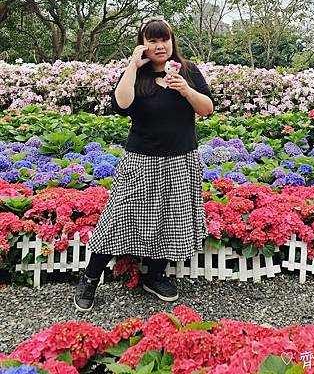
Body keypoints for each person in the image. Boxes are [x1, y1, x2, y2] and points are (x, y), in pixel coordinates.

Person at [74, 17, 214, 312]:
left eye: (163, 39)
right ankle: (90, 278)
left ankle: (155, 275)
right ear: (142, 45)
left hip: (180, 159)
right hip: (141, 159)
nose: (159, 46)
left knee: (170, 220)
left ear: (172, 42)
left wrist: (185, 90)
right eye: (151, 41)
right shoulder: (137, 75)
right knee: (116, 219)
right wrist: (132, 66)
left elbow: (207, 109)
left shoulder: (187, 71)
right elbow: (122, 104)